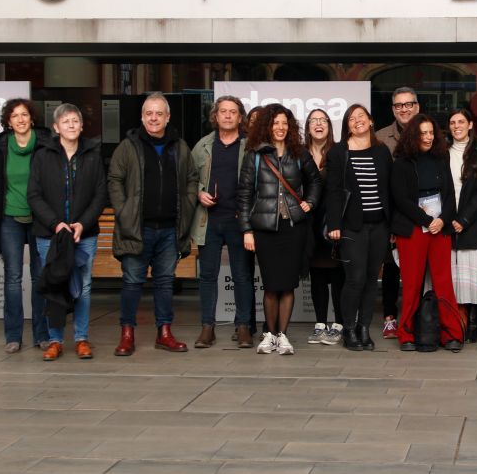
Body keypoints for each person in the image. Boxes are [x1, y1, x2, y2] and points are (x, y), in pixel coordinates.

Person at [107, 92, 198, 356]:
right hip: (137, 228)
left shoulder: (179, 146)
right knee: (133, 282)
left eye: (159, 113)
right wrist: (124, 212)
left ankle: (164, 333)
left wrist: (189, 203)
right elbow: (115, 180)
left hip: (170, 229)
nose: (154, 118)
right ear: (142, 116)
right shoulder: (128, 146)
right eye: (149, 113)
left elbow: (191, 178)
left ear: (167, 117)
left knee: (165, 282)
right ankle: (127, 334)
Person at [239, 104, 322, 355]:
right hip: (264, 229)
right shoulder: (254, 154)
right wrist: (246, 230)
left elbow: (315, 180)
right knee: (271, 285)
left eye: (285, 123)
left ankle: (282, 336)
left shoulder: (300, 153)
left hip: (293, 227)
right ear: (267, 125)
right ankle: (269, 336)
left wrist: (310, 202)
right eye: (275, 123)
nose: (280, 127)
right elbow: (244, 195)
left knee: (287, 285)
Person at [27, 104, 107, 361]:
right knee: (54, 284)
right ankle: (55, 340)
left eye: (75, 121)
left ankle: (82, 338)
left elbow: (100, 194)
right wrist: (55, 223)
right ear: (56, 127)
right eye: (66, 121)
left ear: (82, 126)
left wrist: (82, 223)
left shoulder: (93, 154)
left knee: (82, 287)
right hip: (50, 234)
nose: (71, 125)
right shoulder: (42, 155)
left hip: (84, 233)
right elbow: (34, 195)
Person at [388, 114, 463, 351]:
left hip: (439, 228)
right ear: (413, 135)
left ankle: (451, 334)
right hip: (412, 229)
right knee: (412, 283)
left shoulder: (441, 158)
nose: (428, 137)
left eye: (431, 132)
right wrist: (426, 220)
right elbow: (400, 199)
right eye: (423, 133)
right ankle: (406, 334)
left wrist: (441, 220)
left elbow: (450, 195)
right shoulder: (400, 162)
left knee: (444, 282)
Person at [189, 95, 256, 349]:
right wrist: (198, 192)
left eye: (233, 112)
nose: (228, 116)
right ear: (215, 116)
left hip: (239, 221)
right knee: (207, 276)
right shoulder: (203, 145)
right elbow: (189, 177)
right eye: (223, 111)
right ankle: (208, 327)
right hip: (209, 221)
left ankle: (243, 327)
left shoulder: (249, 146)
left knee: (242, 275)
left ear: (240, 117)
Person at [325, 104, 392, 351]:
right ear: (347, 125)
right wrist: (334, 224)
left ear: (371, 121)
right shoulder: (338, 152)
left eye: (361, 116)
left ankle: (364, 328)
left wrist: (392, 223)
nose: (357, 121)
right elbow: (332, 191)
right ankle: (349, 329)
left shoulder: (382, 151)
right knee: (355, 279)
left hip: (380, 226)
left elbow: (388, 189)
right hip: (352, 227)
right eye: (351, 119)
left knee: (372, 279)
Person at [0, 98, 51, 354]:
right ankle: (13, 336)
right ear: (8, 121)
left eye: (24, 114)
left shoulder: (46, 142)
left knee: (40, 277)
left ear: (32, 118)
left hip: (39, 218)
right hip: (9, 218)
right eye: (15, 116)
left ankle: (42, 335)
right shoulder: (1, 144)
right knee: (13, 278)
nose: (20, 119)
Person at [376, 87, 418, 338]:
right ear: (393, 109)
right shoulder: (380, 137)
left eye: (408, 104)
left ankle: (419, 314)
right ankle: (390, 317)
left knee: (419, 268)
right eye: (399, 105)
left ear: (417, 106)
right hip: (392, 214)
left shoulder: (429, 133)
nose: (404, 109)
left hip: (424, 213)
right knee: (392, 267)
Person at [446, 109, 477, 343]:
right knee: (452, 277)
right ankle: (455, 321)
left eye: (461, 121)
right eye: (452, 122)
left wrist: (463, 220)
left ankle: (473, 324)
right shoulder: (441, 152)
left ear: (470, 124)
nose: (456, 126)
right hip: (446, 221)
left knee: (471, 275)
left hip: (471, 223)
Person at [305, 108, 345, 345]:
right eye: (313, 121)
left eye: (323, 120)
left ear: (329, 126)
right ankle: (320, 324)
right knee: (317, 276)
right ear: (308, 126)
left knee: (338, 275)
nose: (318, 124)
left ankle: (338, 323)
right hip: (310, 225)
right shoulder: (299, 153)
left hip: (334, 224)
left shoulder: (339, 152)